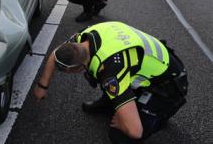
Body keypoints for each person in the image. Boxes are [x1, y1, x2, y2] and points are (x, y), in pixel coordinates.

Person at [34, 21, 188, 144]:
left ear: (77, 69)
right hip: (150, 65)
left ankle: (159, 116)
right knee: (105, 80)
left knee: (121, 136)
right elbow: (56, 54)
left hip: (167, 86)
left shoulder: (110, 72)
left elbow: (135, 131)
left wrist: (122, 123)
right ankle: (112, 103)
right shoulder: (83, 37)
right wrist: (43, 85)